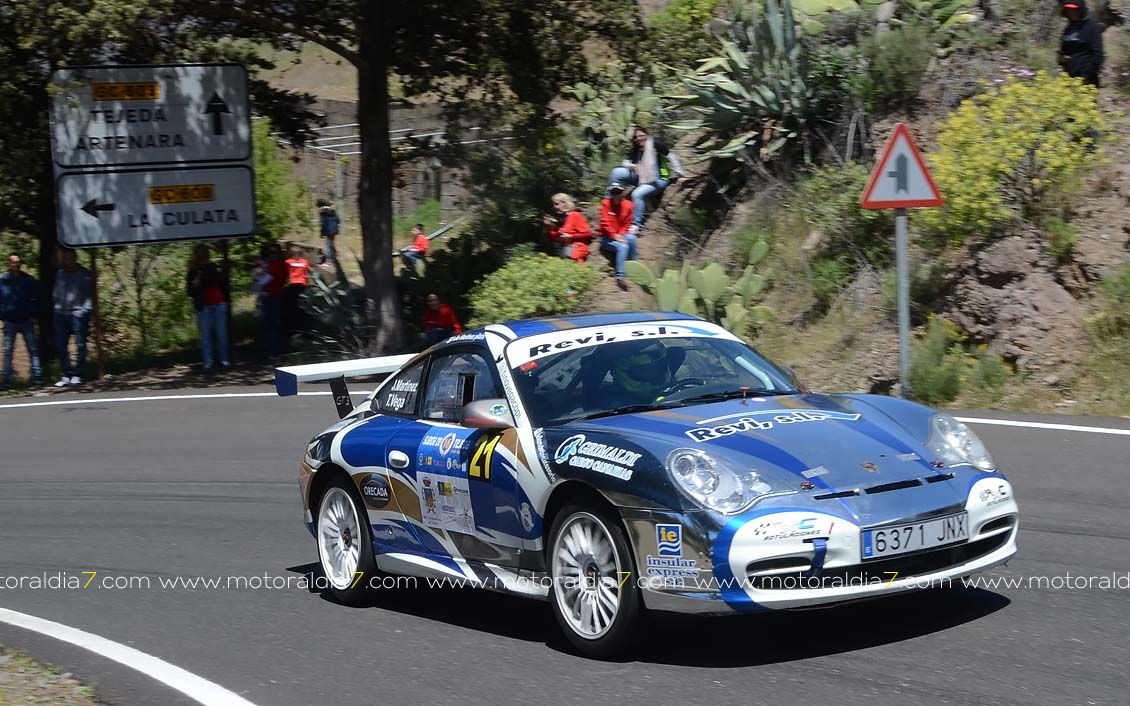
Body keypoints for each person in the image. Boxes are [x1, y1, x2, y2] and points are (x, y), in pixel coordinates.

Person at [608, 125, 685, 231]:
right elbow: (625, 162)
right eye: (636, 137)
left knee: (637, 194)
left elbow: (671, 157)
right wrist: (630, 165)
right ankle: (609, 203)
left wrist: (680, 175)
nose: (639, 138)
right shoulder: (637, 148)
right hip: (640, 177)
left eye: (641, 135)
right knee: (616, 172)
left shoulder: (656, 144)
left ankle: (636, 224)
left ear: (646, 134)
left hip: (657, 180)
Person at [185, 244, 231, 372]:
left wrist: (226, 300)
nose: (203, 257)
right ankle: (208, 362)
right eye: (200, 255)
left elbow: (221, 283)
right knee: (205, 336)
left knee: (221, 334)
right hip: (203, 306)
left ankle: (224, 360)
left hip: (218, 303)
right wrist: (196, 282)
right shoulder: (192, 272)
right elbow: (190, 292)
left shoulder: (213, 267)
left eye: (204, 255)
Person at [0, 253, 43, 387]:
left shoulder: (28, 280)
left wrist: (33, 315)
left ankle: (37, 377)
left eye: (18, 262)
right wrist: (3, 317)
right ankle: (7, 380)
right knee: (8, 352)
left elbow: (36, 298)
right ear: (9, 264)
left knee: (33, 350)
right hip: (10, 322)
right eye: (13, 262)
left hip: (26, 321)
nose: (16, 264)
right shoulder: (2, 281)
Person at [53, 248, 93, 387]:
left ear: (75, 258)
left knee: (80, 345)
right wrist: (56, 307)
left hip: (77, 314)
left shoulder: (84, 274)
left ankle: (78, 375)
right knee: (61, 346)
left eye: (70, 258)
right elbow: (56, 293)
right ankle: (66, 374)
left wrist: (84, 311)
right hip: (61, 314)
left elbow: (89, 296)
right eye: (66, 258)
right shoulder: (60, 273)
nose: (68, 261)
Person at [598, 182, 637, 291]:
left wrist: (621, 235)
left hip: (621, 233)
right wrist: (615, 236)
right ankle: (620, 276)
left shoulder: (628, 205)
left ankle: (633, 266)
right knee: (623, 247)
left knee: (632, 238)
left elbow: (627, 222)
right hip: (607, 237)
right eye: (613, 192)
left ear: (622, 193)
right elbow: (605, 223)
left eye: (618, 192)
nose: (615, 195)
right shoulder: (606, 203)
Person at [1059, 0, 1104, 87]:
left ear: (1081, 10)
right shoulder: (1068, 28)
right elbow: (1063, 52)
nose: (1071, 12)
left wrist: (1086, 76)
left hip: (1087, 81)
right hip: (1068, 79)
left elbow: (1098, 56)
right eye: (1068, 9)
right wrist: (1061, 59)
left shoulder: (1091, 27)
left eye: (1074, 9)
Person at [544, 193, 594, 262]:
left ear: (564, 203)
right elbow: (555, 238)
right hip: (565, 249)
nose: (554, 207)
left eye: (557, 204)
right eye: (553, 204)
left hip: (577, 249)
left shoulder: (575, 215)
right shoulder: (562, 219)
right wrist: (549, 227)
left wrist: (571, 236)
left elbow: (588, 234)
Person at [260, 242, 288, 358]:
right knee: (278, 324)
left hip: (270, 298)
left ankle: (274, 353)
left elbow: (263, 282)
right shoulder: (284, 265)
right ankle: (281, 350)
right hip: (280, 296)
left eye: (271, 253)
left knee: (270, 326)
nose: (270, 256)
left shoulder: (274, 267)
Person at [284, 245, 311, 343]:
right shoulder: (305, 262)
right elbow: (308, 272)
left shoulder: (287, 262)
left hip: (292, 286)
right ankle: (306, 331)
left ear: (290, 254)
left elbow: (285, 274)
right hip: (303, 286)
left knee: (291, 309)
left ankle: (293, 331)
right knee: (303, 309)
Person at [317, 199, 340, 264]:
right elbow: (338, 220)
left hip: (328, 230)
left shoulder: (322, 212)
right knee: (331, 244)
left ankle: (329, 261)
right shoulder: (333, 211)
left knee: (328, 245)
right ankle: (334, 256)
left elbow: (323, 223)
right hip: (334, 229)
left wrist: (322, 233)